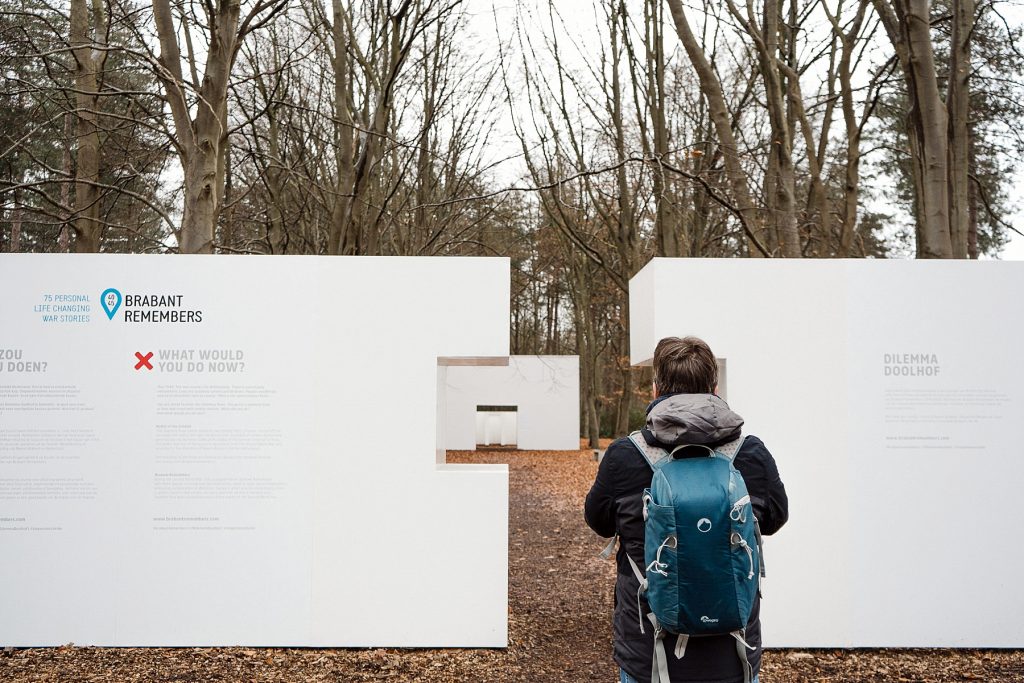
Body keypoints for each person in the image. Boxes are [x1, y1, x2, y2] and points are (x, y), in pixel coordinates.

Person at [585, 336, 789, 683]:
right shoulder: (750, 454)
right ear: (714, 386)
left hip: (649, 653)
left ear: (655, 388)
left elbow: (599, 520)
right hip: (733, 653)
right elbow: (774, 518)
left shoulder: (624, 456)